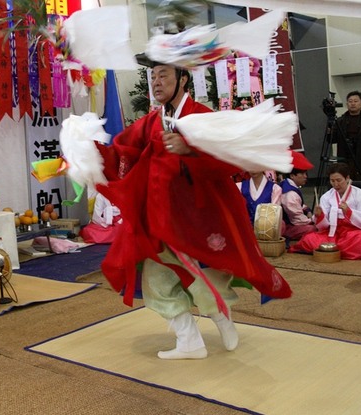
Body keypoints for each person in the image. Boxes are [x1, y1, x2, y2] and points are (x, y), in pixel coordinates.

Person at [88, 57, 292, 360]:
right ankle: (189, 340)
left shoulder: (201, 116)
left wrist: (190, 150)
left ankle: (221, 317)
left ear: (183, 79)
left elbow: (229, 162)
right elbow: (122, 150)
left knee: (202, 273)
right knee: (156, 280)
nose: (156, 82)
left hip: (200, 215)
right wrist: (86, 151)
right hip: (162, 217)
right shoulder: (151, 122)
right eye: (153, 76)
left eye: (163, 75)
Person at [288, 162, 361, 259]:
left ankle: (331, 250)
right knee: (309, 239)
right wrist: (319, 216)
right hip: (333, 231)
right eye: (332, 181)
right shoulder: (327, 196)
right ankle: (338, 249)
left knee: (360, 239)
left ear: (347, 178)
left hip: (353, 231)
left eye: (339, 180)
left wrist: (349, 211)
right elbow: (322, 226)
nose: (335, 184)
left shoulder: (360, 194)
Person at [280, 151, 317, 241]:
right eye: (303, 174)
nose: (305, 176)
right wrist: (313, 220)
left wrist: (307, 209)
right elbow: (297, 219)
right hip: (288, 226)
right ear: (292, 176)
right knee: (314, 228)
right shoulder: (290, 194)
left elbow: (299, 206)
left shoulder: (287, 185)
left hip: (292, 221)